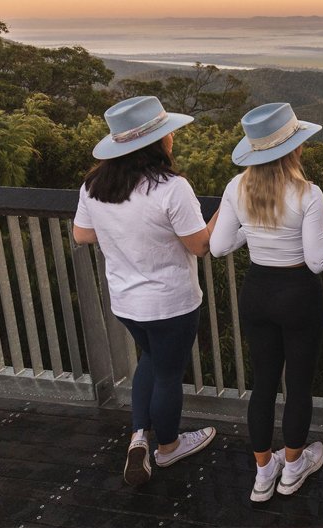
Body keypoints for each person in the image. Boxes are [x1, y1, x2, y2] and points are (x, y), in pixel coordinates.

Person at [208, 103, 323, 501]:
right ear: (293, 148)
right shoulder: (308, 193)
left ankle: (262, 475)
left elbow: (219, 246)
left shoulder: (235, 187)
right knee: (298, 386)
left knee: (263, 386)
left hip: (256, 292)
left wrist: (253, 233)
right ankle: (292, 468)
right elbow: (316, 260)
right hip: (298, 295)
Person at [72, 96, 216, 486]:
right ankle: (168, 449)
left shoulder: (95, 185)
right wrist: (224, 212)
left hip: (126, 301)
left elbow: (82, 234)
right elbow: (200, 245)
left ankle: (139, 436)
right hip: (171, 302)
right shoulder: (172, 187)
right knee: (169, 375)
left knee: (149, 360)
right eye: (168, 133)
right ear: (157, 142)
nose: (172, 139)